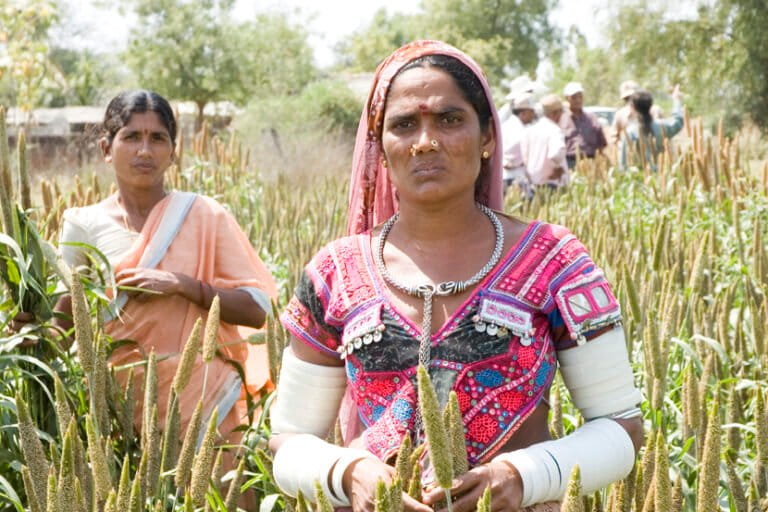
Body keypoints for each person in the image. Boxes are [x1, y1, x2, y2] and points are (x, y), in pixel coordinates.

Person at [269, 40, 643, 512]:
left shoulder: (555, 261)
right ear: (380, 149)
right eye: (404, 125)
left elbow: (622, 428)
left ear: (488, 137)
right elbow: (288, 441)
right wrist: (350, 473)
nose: (426, 141)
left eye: (449, 120)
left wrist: (520, 476)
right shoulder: (334, 272)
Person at [55, 90, 277, 445]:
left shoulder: (205, 215)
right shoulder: (83, 225)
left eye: (157, 138)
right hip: (118, 411)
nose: (145, 150)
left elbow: (256, 310)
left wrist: (184, 286)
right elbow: (64, 321)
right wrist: (30, 326)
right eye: (131, 137)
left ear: (173, 152)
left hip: (207, 402)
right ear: (106, 149)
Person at [619, 85, 684, 170]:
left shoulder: (630, 133)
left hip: (640, 178)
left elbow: (624, 164)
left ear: (633, 107)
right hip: (664, 175)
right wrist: (676, 100)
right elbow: (678, 120)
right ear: (651, 105)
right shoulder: (663, 127)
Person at [521, 94, 569, 189]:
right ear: (555, 113)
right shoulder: (555, 131)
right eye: (561, 112)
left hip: (533, 183)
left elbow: (525, 157)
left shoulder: (530, 130)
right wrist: (558, 168)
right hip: (552, 183)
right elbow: (556, 154)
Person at [559, 82, 606, 168]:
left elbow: (601, 143)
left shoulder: (591, 118)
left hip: (591, 161)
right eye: (574, 97)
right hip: (570, 163)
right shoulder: (561, 119)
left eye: (580, 96)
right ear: (567, 98)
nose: (578, 100)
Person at [501, 92, 536, 196]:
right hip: (515, 177)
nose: (533, 115)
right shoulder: (519, 130)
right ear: (523, 113)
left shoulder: (507, 125)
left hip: (506, 176)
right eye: (531, 112)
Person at [611, 80, 639, 145]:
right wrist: (622, 146)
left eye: (633, 97)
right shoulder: (620, 115)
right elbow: (614, 136)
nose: (631, 100)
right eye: (627, 99)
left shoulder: (649, 111)